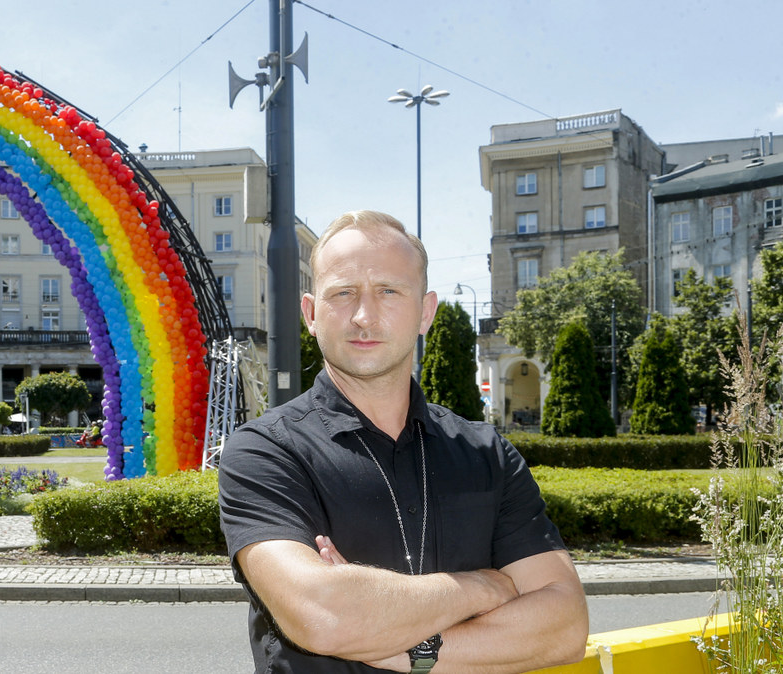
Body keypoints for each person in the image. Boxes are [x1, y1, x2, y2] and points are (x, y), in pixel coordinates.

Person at [218, 210, 587, 673]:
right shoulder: (264, 452)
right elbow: (325, 617)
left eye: (389, 291)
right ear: (311, 314)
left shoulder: (487, 454)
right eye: (343, 293)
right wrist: (485, 587)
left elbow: (565, 627)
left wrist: (399, 644)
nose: (364, 316)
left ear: (425, 312)